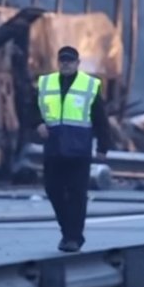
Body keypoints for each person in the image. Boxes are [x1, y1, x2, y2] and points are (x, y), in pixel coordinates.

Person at [30, 46, 112, 253]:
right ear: (58, 62)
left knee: (77, 194)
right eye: (62, 60)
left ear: (78, 63)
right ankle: (68, 231)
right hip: (54, 149)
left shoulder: (89, 86)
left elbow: (100, 119)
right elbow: (30, 110)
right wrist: (37, 124)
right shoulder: (45, 83)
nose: (66, 64)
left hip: (79, 150)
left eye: (70, 60)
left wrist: (103, 146)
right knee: (53, 191)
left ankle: (73, 238)